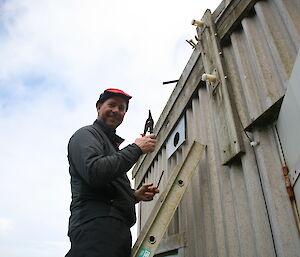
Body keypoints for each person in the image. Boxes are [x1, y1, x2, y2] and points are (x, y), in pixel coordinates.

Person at [65, 88, 159, 257]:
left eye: (121, 108)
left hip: (116, 229)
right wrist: (136, 148)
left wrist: (134, 195)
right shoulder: (86, 135)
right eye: (112, 105)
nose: (116, 110)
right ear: (98, 107)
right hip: (96, 226)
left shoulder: (111, 146)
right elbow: (94, 172)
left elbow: (108, 186)